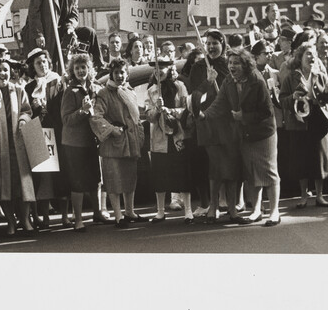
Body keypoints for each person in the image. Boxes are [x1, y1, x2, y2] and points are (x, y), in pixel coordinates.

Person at [201, 49, 281, 226]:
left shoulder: (257, 80)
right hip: (244, 133)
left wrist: (243, 117)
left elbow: (267, 111)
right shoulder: (229, 80)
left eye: (236, 63)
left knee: (268, 172)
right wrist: (204, 115)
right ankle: (256, 211)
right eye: (230, 63)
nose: (231, 66)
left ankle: (274, 212)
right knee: (252, 174)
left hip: (263, 133)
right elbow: (219, 103)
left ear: (245, 64)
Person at [188, 29, 239, 222]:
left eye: (215, 43)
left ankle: (232, 207)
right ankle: (213, 207)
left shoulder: (230, 64)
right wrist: (208, 82)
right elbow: (194, 97)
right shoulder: (199, 67)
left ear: (223, 45)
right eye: (208, 43)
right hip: (208, 122)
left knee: (231, 164)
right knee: (215, 166)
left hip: (228, 122)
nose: (211, 47)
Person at [90, 59, 146, 227]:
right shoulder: (104, 93)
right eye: (116, 73)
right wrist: (111, 129)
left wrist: (139, 134)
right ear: (111, 74)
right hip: (114, 143)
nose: (120, 76)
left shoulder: (130, 91)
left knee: (130, 179)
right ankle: (118, 216)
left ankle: (129, 211)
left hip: (130, 141)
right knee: (114, 181)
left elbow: (136, 116)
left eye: (122, 72)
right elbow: (95, 116)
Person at [280, 43, 328, 208]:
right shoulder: (291, 77)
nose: (311, 58)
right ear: (300, 58)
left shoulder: (321, 76)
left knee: (320, 160)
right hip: (299, 123)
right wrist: (293, 97)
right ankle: (303, 196)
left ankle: (319, 195)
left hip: (318, 121)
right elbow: (282, 100)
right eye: (308, 55)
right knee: (301, 160)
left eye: (313, 55)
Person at [0, 57, 36, 235]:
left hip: (18, 144)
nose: (3, 73)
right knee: (3, 185)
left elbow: (26, 111)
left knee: (22, 184)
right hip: (0, 146)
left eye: (6, 70)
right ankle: (10, 222)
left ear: (11, 72)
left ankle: (25, 219)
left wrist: (23, 120)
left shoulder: (19, 90)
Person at [60, 53, 107, 231]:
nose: (80, 71)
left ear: (89, 69)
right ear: (72, 71)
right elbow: (66, 119)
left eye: (83, 67)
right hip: (74, 143)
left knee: (95, 179)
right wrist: (83, 110)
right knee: (78, 182)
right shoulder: (70, 91)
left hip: (91, 141)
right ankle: (78, 219)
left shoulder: (94, 88)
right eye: (77, 68)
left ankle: (97, 213)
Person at [24, 47, 70, 230]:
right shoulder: (28, 88)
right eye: (38, 63)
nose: (42, 65)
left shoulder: (58, 81)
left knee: (62, 174)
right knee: (43, 177)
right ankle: (44, 217)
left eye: (44, 61)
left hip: (57, 133)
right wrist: (35, 108)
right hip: (39, 135)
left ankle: (66, 216)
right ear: (32, 66)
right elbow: (26, 112)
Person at [145, 57, 194, 224]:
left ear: (170, 68)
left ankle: (188, 211)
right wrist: (157, 110)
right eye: (156, 69)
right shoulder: (152, 90)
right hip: (159, 139)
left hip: (177, 136)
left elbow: (187, 109)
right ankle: (160, 211)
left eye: (162, 68)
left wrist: (171, 111)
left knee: (183, 174)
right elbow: (149, 116)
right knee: (160, 175)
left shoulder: (179, 86)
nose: (159, 71)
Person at [24, 0, 103, 72]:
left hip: (63, 31)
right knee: (50, 57)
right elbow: (33, 13)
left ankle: (99, 67)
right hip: (46, 31)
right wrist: (39, 34)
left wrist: (70, 26)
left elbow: (74, 15)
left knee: (89, 32)